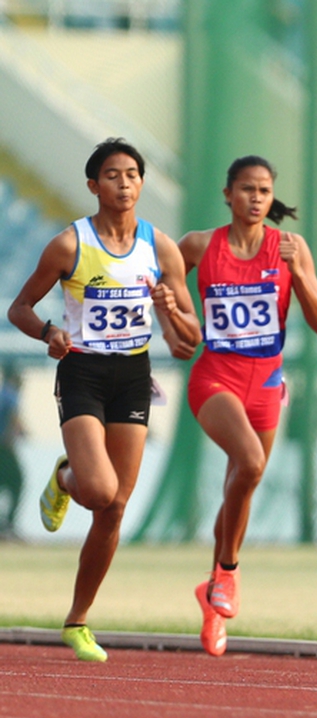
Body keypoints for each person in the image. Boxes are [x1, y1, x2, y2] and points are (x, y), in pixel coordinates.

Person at [6, 138, 200, 661]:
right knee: (97, 488)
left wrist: (169, 309)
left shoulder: (160, 249)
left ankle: (78, 620)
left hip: (134, 375)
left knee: (113, 508)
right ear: (93, 185)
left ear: (142, 183)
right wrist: (48, 331)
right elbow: (19, 307)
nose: (124, 183)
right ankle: (66, 476)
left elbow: (190, 338)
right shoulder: (69, 245)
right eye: (112, 175)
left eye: (133, 174)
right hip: (82, 372)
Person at [165, 155, 317, 657]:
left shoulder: (290, 247)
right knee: (251, 463)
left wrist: (297, 273)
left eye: (264, 191)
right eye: (247, 189)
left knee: (243, 482)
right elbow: (162, 276)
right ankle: (230, 575)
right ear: (228, 193)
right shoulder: (199, 244)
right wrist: (172, 320)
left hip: (268, 382)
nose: (256, 198)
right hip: (216, 376)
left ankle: (212, 597)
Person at [0, 363, 25, 538]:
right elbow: (14, 419)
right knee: (17, 483)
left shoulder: (2, 394)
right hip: (5, 448)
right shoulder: (11, 394)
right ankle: (8, 525)